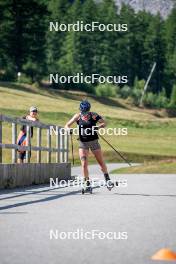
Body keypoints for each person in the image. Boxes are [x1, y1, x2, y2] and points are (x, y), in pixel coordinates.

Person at [65, 100, 114, 190]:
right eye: (83, 111)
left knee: (101, 162)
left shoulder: (94, 115)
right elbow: (67, 125)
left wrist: (97, 127)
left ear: (89, 110)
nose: (84, 113)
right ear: (80, 110)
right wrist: (69, 130)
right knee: (84, 164)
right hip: (83, 143)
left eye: (86, 111)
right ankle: (87, 183)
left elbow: (104, 123)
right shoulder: (77, 116)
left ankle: (107, 179)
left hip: (94, 142)